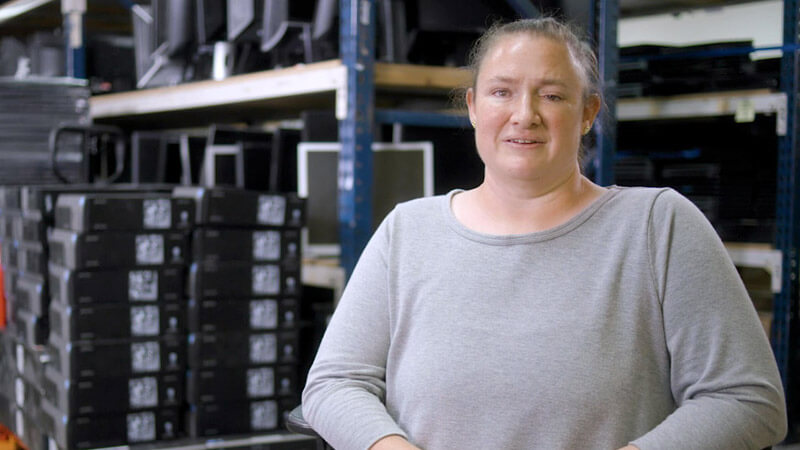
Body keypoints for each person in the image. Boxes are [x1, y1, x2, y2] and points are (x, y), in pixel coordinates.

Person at [302, 17, 787, 450]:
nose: (524, 114)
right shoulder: (407, 231)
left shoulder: (658, 226)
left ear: (588, 113)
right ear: (473, 107)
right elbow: (334, 383)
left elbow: (748, 400)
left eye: (552, 95)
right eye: (501, 92)